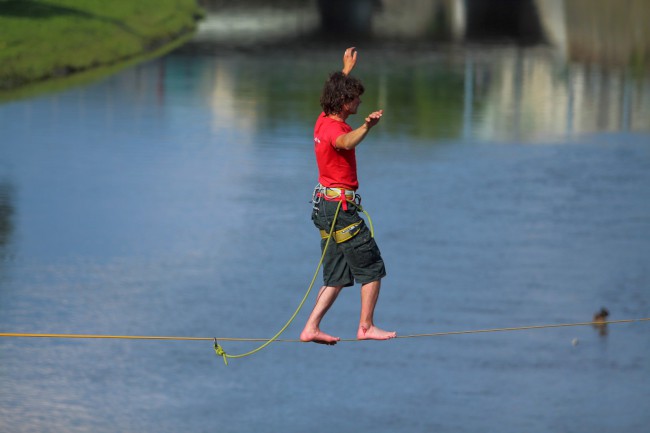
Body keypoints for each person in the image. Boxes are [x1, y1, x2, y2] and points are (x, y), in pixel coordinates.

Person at [300, 47, 396, 345]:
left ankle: (311, 328)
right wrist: (367, 126)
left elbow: (334, 92)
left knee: (337, 277)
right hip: (340, 211)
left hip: (325, 207)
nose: (359, 102)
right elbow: (345, 141)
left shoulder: (322, 119)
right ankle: (366, 326)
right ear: (344, 103)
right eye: (355, 99)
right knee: (372, 267)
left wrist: (345, 70)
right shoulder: (334, 131)